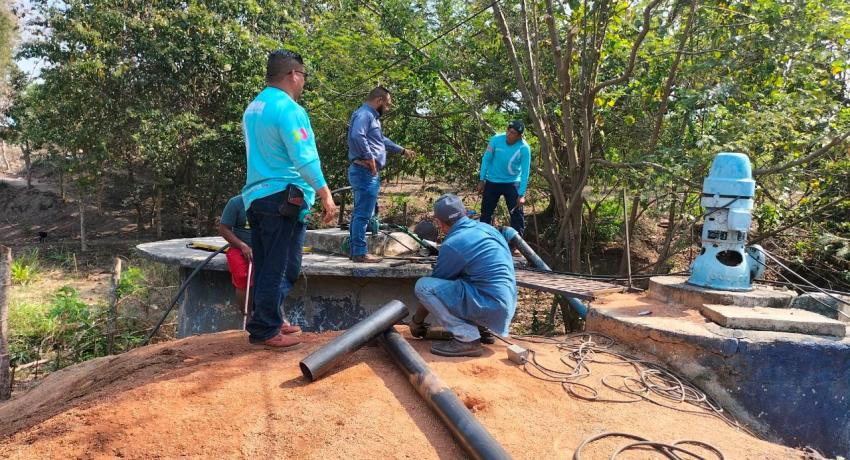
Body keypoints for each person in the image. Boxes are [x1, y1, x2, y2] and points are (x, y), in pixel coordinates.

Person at [241, 49, 337, 350]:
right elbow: (304, 157)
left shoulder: (254, 107)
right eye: (303, 76)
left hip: (256, 198)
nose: (304, 82)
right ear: (293, 75)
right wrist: (325, 194)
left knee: (277, 263)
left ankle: (270, 316)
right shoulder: (289, 109)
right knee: (280, 266)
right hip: (282, 196)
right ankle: (265, 328)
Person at [410, 194, 517, 357]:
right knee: (467, 279)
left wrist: (416, 321)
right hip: (506, 304)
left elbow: (435, 289)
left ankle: (467, 338)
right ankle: (483, 329)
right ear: (464, 213)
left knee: (423, 286)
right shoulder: (487, 228)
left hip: (489, 304)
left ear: (439, 223)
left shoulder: (453, 244)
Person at [346, 86, 416, 263]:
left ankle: (356, 250)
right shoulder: (365, 115)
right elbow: (356, 136)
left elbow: (380, 140)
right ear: (379, 101)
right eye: (388, 104)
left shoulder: (371, 117)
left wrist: (401, 150)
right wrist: (369, 158)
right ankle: (359, 253)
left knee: (361, 213)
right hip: (365, 171)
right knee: (363, 214)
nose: (388, 108)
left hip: (367, 171)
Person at [477, 120, 531, 236]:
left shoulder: (524, 148)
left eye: (513, 133)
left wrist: (521, 194)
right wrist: (482, 179)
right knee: (486, 212)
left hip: (512, 182)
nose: (509, 135)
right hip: (493, 180)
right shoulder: (496, 140)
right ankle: (482, 238)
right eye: (508, 131)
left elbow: (525, 171)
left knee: (517, 213)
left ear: (519, 136)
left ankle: (517, 245)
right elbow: (486, 159)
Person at [218, 195, 253, 311]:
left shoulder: (270, 200)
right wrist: (242, 245)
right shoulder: (236, 203)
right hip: (239, 249)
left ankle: (272, 317)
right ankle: (247, 315)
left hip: (264, 249)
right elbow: (223, 229)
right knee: (243, 276)